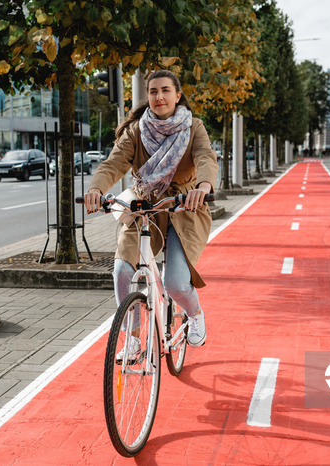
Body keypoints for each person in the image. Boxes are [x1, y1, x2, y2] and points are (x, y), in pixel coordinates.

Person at [83, 69, 218, 349]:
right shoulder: (136, 131)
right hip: (146, 206)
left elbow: (205, 156)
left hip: (185, 208)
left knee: (177, 284)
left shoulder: (194, 127)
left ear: (177, 95)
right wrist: (96, 188)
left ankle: (194, 315)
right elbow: (113, 164)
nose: (159, 96)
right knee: (121, 269)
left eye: (166, 90)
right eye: (153, 91)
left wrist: (203, 187)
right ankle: (131, 336)